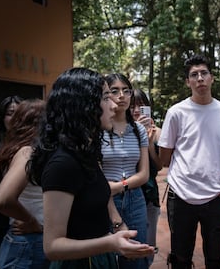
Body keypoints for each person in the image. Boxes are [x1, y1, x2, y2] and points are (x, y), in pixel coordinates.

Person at [27, 67, 155, 268]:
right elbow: (52, 247)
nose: (114, 105)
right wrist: (110, 243)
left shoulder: (84, 152)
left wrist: (116, 227)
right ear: (84, 105)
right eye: (106, 97)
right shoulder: (63, 163)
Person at [158, 54, 220, 268]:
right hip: (181, 195)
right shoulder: (176, 112)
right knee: (181, 257)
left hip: (216, 195)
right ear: (188, 82)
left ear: (212, 78)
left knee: (216, 258)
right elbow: (165, 157)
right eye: (194, 75)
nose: (200, 78)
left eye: (204, 73)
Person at [102, 73, 150, 269]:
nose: (121, 95)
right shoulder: (99, 129)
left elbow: (144, 174)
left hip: (135, 199)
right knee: (108, 258)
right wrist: (109, 191)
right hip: (105, 201)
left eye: (126, 90)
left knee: (136, 256)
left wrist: (118, 186)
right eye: (114, 91)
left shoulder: (139, 130)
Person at [0, 99, 48, 268]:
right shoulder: (27, 152)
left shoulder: (17, 149)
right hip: (29, 242)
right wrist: (31, 221)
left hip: (28, 241)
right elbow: (2, 200)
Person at [130, 88, 163, 267]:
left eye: (141, 106)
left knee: (148, 245)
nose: (136, 110)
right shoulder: (123, 130)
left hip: (149, 194)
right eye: (133, 106)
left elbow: (159, 165)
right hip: (127, 193)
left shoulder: (156, 131)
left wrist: (149, 142)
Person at [0, 95, 23, 269]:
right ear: (2, 117)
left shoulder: (35, 145)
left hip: (21, 217)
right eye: (11, 113)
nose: (16, 118)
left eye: (20, 113)